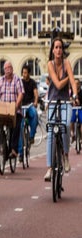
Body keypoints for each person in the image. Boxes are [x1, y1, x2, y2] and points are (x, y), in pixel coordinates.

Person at [44, 37, 78, 179]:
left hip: (65, 101)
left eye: (60, 47)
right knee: (51, 132)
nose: (58, 50)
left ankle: (65, 155)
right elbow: (57, 85)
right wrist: (69, 79)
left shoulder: (67, 63)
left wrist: (75, 94)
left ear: (62, 50)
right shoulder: (50, 64)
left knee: (64, 125)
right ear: (53, 50)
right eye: (56, 47)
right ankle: (50, 168)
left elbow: (74, 83)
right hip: (52, 101)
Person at [0, 61, 24, 163]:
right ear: (4, 70)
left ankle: (14, 149)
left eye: (9, 67)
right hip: (3, 110)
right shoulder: (1, 80)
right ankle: (3, 146)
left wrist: (16, 105)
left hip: (15, 109)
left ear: (12, 69)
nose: (8, 70)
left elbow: (20, 94)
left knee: (16, 125)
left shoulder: (17, 79)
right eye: (6, 68)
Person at [18, 65, 39, 155]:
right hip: (22, 106)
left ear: (29, 73)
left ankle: (31, 136)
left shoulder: (32, 82)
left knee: (35, 115)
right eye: (23, 73)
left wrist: (35, 102)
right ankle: (20, 153)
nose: (24, 74)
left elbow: (36, 94)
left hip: (30, 105)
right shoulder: (20, 82)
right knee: (20, 127)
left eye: (25, 73)